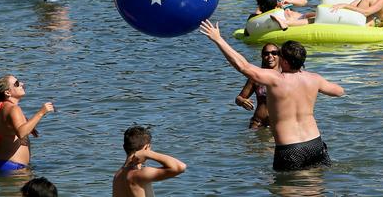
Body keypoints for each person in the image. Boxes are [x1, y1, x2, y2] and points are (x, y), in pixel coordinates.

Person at [200, 22, 344, 171]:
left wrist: (218, 39)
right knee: (314, 190)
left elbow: (243, 66)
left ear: (285, 61)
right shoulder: (315, 79)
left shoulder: (275, 79)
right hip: (315, 144)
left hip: (290, 148)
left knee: (286, 191)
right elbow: (339, 91)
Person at [0, 74, 55, 173]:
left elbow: (7, 130)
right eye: (17, 83)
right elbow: (21, 133)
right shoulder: (13, 108)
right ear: (7, 92)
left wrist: (28, 123)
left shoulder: (0, 108)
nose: (22, 84)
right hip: (13, 167)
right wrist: (41, 112)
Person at [112, 125, 186, 197]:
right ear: (147, 147)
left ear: (124, 147)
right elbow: (180, 167)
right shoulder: (139, 174)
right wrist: (148, 153)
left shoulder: (117, 176)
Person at [235, 43, 280, 129]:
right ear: (262, 56)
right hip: (258, 123)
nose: (270, 56)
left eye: (274, 53)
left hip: (278, 125)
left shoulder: (285, 76)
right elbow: (239, 98)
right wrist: (242, 101)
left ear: (279, 55)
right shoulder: (256, 77)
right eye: (266, 54)